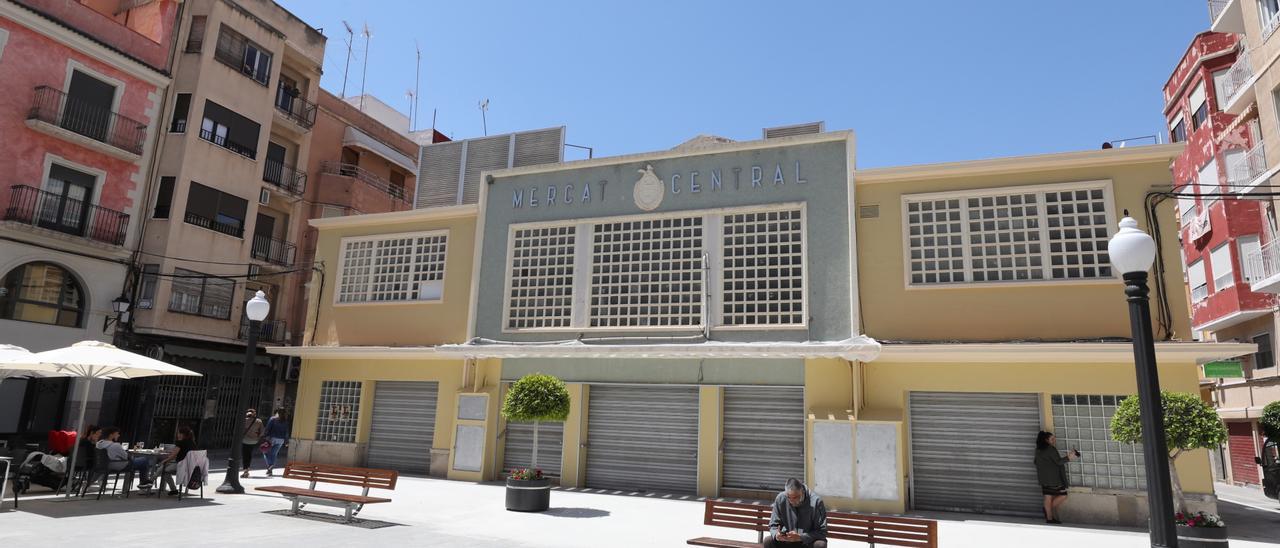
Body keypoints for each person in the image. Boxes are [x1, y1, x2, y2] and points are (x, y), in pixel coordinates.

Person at [764, 478, 827, 548]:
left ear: (802, 491)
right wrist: (776, 535)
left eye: (796, 497)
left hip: (806, 542)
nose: (792, 501)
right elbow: (773, 525)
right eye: (789, 497)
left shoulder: (816, 501)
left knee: (820, 544)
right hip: (787, 540)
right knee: (768, 541)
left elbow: (822, 532)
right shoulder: (780, 498)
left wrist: (800, 537)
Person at [1035, 430, 1078, 524]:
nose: (1054, 440)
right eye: (1052, 439)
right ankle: (1048, 511)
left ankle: (1049, 516)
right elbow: (1058, 462)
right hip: (1053, 479)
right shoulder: (1050, 449)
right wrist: (1069, 457)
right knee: (1063, 495)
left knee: (1048, 497)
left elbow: (1036, 462)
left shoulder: (1038, 449)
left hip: (1043, 478)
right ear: (1046, 440)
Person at [157, 426, 197, 496]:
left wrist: (165, 461)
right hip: (191, 467)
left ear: (182, 434)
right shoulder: (193, 443)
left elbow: (173, 455)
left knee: (164, 469)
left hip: (181, 466)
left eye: (178, 433)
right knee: (165, 466)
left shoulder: (180, 442)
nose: (177, 435)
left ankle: (173, 489)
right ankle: (150, 481)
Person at [262, 408, 289, 477]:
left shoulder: (273, 419)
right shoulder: (285, 421)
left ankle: (270, 466)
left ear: (277, 412)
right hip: (281, 440)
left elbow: (267, 428)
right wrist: (286, 441)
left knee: (265, 451)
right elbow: (286, 432)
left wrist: (264, 436)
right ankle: (270, 469)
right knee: (274, 454)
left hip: (272, 438)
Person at [240, 409, 264, 478]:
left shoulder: (244, 420)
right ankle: (247, 470)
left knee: (245, 455)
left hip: (245, 440)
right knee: (249, 454)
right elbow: (262, 431)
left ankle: (245, 470)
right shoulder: (259, 421)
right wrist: (257, 437)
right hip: (254, 440)